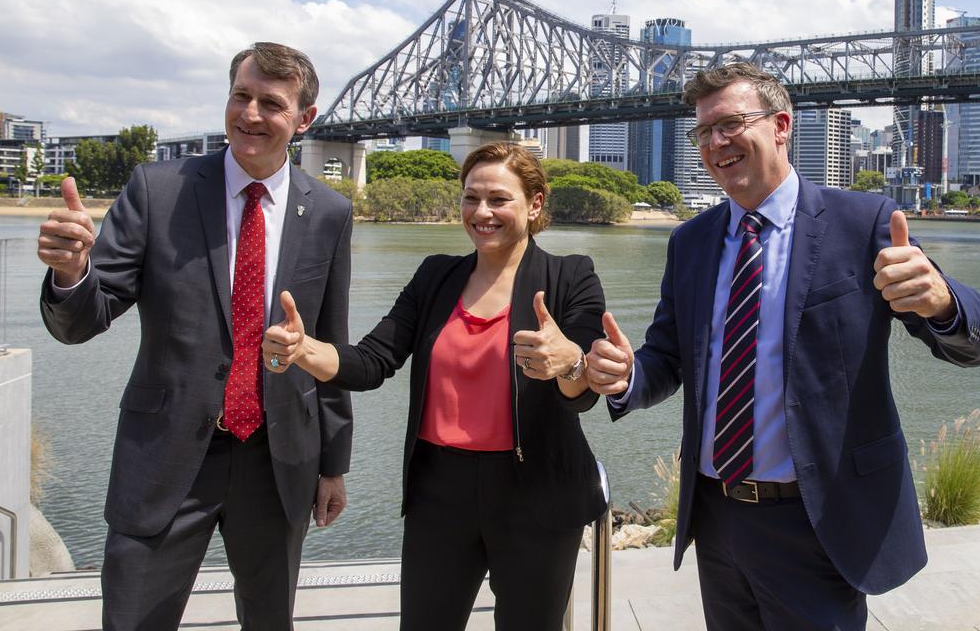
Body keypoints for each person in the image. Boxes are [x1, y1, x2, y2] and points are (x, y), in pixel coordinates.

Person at [586, 63, 980, 630]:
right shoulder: (690, 242)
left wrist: (942, 301)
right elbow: (668, 359)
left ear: (781, 125)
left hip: (819, 519)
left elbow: (979, 343)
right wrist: (626, 375)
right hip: (718, 517)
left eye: (730, 123)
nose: (715, 143)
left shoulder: (865, 222)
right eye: (703, 132)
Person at [36, 42, 354, 630]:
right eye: (241, 96)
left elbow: (328, 344)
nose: (251, 114)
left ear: (305, 119)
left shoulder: (330, 211)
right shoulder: (158, 190)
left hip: (278, 457)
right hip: (164, 454)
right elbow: (84, 318)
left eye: (271, 104)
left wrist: (333, 463)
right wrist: (71, 272)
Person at [263, 141, 607, 631]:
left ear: (534, 204)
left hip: (537, 492)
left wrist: (569, 361)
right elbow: (371, 361)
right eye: (471, 198)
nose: (481, 212)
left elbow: (585, 392)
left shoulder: (570, 276)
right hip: (439, 492)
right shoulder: (435, 275)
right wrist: (303, 350)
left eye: (498, 199)